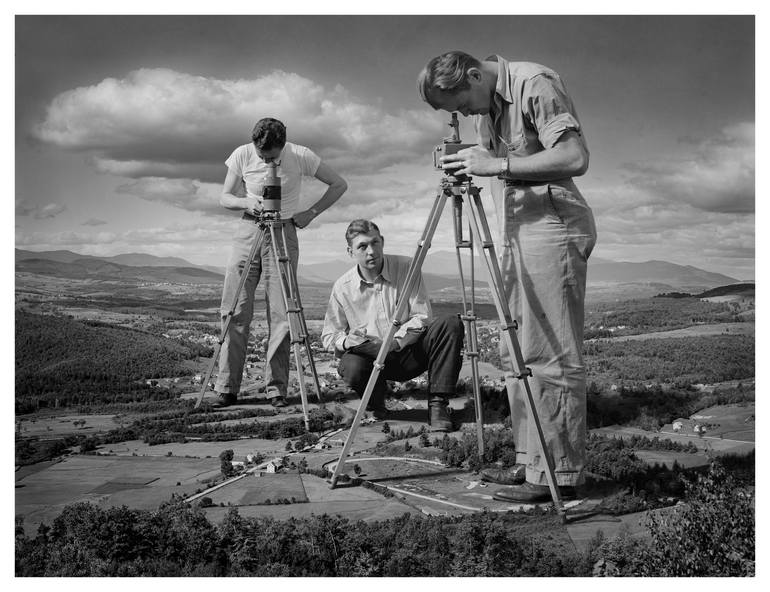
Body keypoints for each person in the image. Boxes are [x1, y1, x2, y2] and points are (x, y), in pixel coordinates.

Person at [417, 52, 597, 501]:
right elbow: (497, 162)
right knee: (519, 351)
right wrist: (467, 164)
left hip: (552, 225)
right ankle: (533, 462)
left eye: (460, 103)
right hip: (518, 229)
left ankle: (557, 475)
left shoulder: (534, 83)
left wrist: (495, 165)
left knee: (550, 352)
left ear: (474, 75)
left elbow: (574, 156)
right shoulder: (489, 109)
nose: (462, 115)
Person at [215, 117, 347, 407]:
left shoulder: (301, 155)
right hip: (249, 228)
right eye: (261, 156)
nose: (266, 161)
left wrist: (311, 213)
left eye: (272, 157)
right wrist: (246, 202)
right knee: (235, 309)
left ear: (283, 146)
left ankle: (276, 389)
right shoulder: (241, 154)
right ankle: (226, 387)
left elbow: (339, 184)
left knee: (282, 314)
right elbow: (224, 197)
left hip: (284, 230)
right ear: (254, 144)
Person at [321, 219, 465, 432]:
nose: (371, 251)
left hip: (410, 351)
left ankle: (438, 406)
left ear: (382, 242)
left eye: (375, 243)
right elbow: (328, 336)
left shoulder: (406, 267)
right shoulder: (343, 287)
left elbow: (422, 316)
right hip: (372, 360)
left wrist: (394, 342)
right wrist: (346, 341)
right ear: (351, 252)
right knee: (350, 365)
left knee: (450, 323)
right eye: (362, 246)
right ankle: (375, 404)